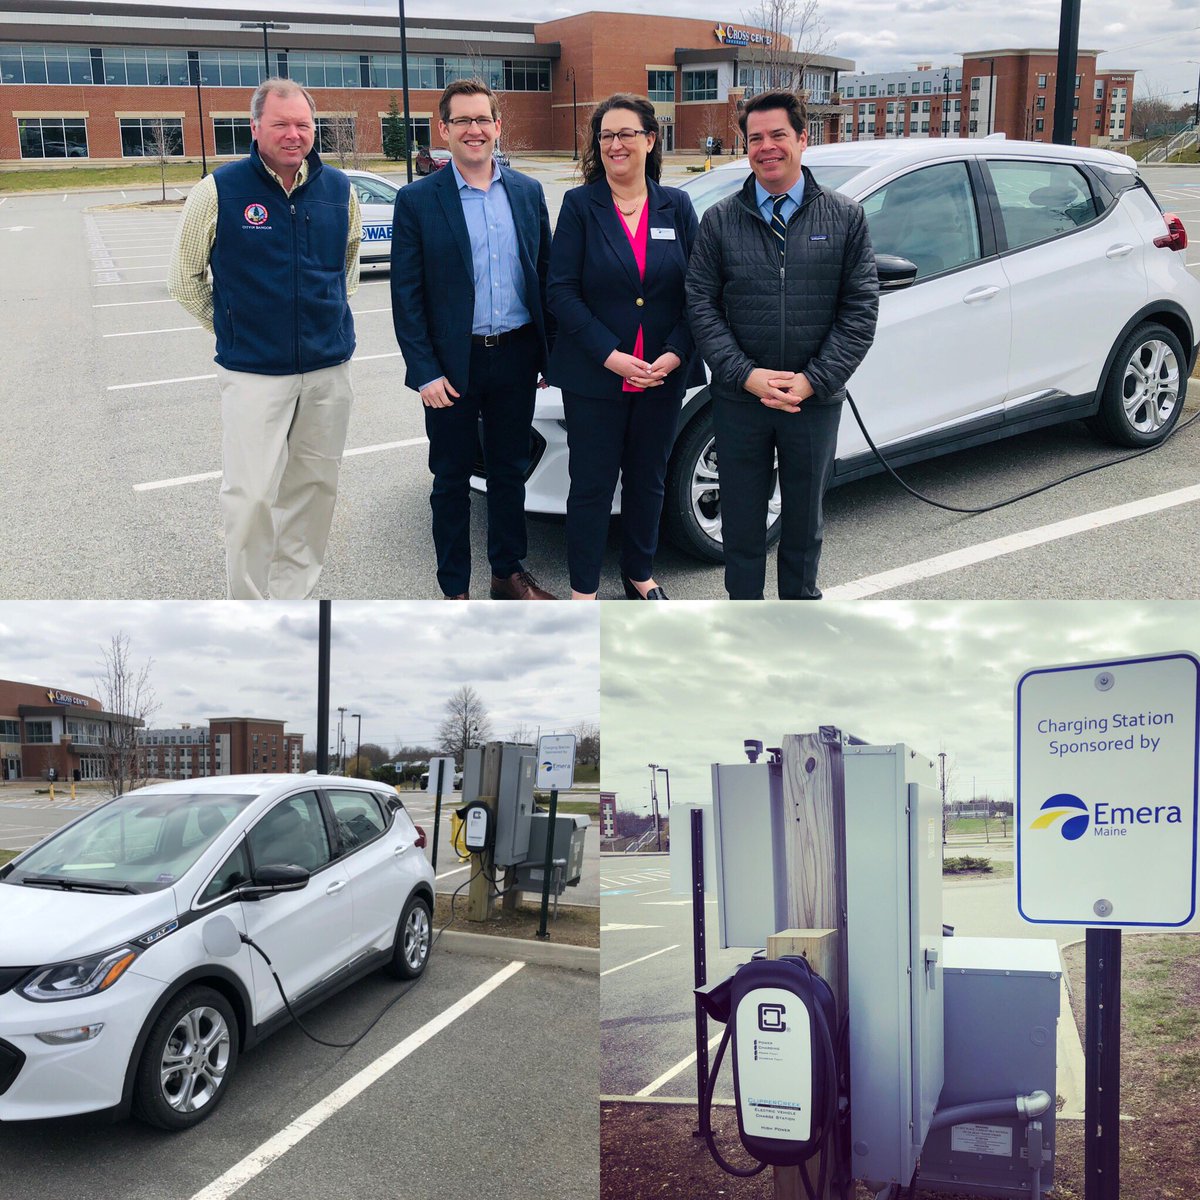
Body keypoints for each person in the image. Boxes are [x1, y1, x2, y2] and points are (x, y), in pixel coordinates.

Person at [168, 78, 360, 600]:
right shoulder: (219, 191)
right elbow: (185, 281)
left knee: (313, 492)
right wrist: (234, 328)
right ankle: (249, 607)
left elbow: (347, 267)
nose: (294, 134)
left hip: (326, 374)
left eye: (303, 124)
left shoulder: (339, 190)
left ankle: (290, 599)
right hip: (253, 375)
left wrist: (321, 324)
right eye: (281, 124)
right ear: (255, 127)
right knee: (251, 497)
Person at [687, 90, 879, 600]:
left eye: (778, 135)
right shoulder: (721, 220)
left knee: (803, 525)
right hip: (739, 400)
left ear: (802, 139)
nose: (766, 147)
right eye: (755, 138)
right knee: (743, 526)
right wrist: (744, 374)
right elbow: (700, 307)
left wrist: (813, 380)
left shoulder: (844, 217)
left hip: (812, 401)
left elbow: (860, 311)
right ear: (745, 145)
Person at [390, 78, 555, 600]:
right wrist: (425, 371)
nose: (474, 130)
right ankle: (454, 591)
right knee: (451, 481)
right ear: (444, 129)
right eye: (461, 120)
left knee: (509, 473)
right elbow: (407, 296)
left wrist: (550, 353)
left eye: (482, 119)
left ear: (498, 127)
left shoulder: (527, 193)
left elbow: (545, 276)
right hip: (451, 368)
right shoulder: (418, 201)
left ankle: (508, 574)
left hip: (516, 358)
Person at [547, 94, 703, 601]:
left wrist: (677, 353)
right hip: (597, 377)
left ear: (650, 140)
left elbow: (699, 291)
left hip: (661, 376)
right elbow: (561, 291)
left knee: (648, 481)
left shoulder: (675, 206)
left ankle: (639, 572)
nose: (616, 144)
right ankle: (583, 592)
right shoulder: (580, 206)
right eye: (606, 135)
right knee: (591, 488)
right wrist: (610, 355)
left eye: (626, 134)